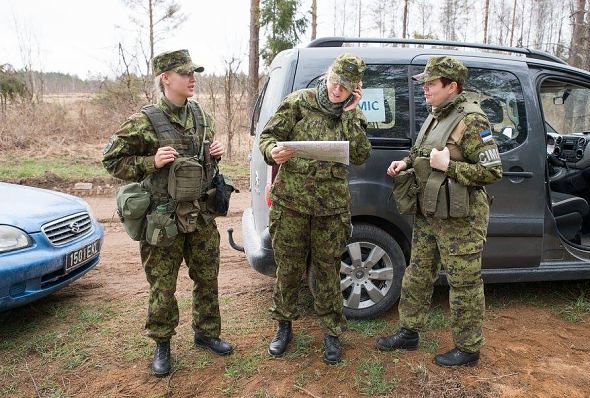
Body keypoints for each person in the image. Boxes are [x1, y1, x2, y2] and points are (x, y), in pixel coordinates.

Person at [102, 49, 233, 377]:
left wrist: (214, 155)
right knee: (163, 283)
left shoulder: (202, 116)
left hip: (200, 215)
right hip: (163, 218)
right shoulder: (145, 121)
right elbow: (111, 160)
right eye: (186, 73)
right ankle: (162, 344)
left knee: (207, 277)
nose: (193, 79)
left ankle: (206, 334)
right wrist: (150, 162)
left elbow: (203, 164)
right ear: (166, 78)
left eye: (194, 73)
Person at [376, 56, 503, 367]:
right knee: (417, 274)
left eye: (431, 84)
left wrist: (449, 166)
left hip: (461, 220)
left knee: (464, 284)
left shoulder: (472, 120)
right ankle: (409, 332)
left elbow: (492, 171)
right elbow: (422, 152)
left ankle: (468, 349)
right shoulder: (437, 115)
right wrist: (406, 163)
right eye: (425, 84)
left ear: (452, 86)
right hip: (430, 213)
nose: (424, 89)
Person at [259, 53, 372, 364]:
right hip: (291, 204)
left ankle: (332, 334)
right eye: (335, 82)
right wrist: (273, 151)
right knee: (289, 269)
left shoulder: (354, 114)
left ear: (356, 89)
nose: (338, 90)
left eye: (346, 87)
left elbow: (361, 155)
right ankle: (283, 327)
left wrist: (350, 114)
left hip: (331, 209)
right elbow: (267, 137)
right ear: (328, 76)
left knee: (327, 271)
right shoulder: (299, 102)